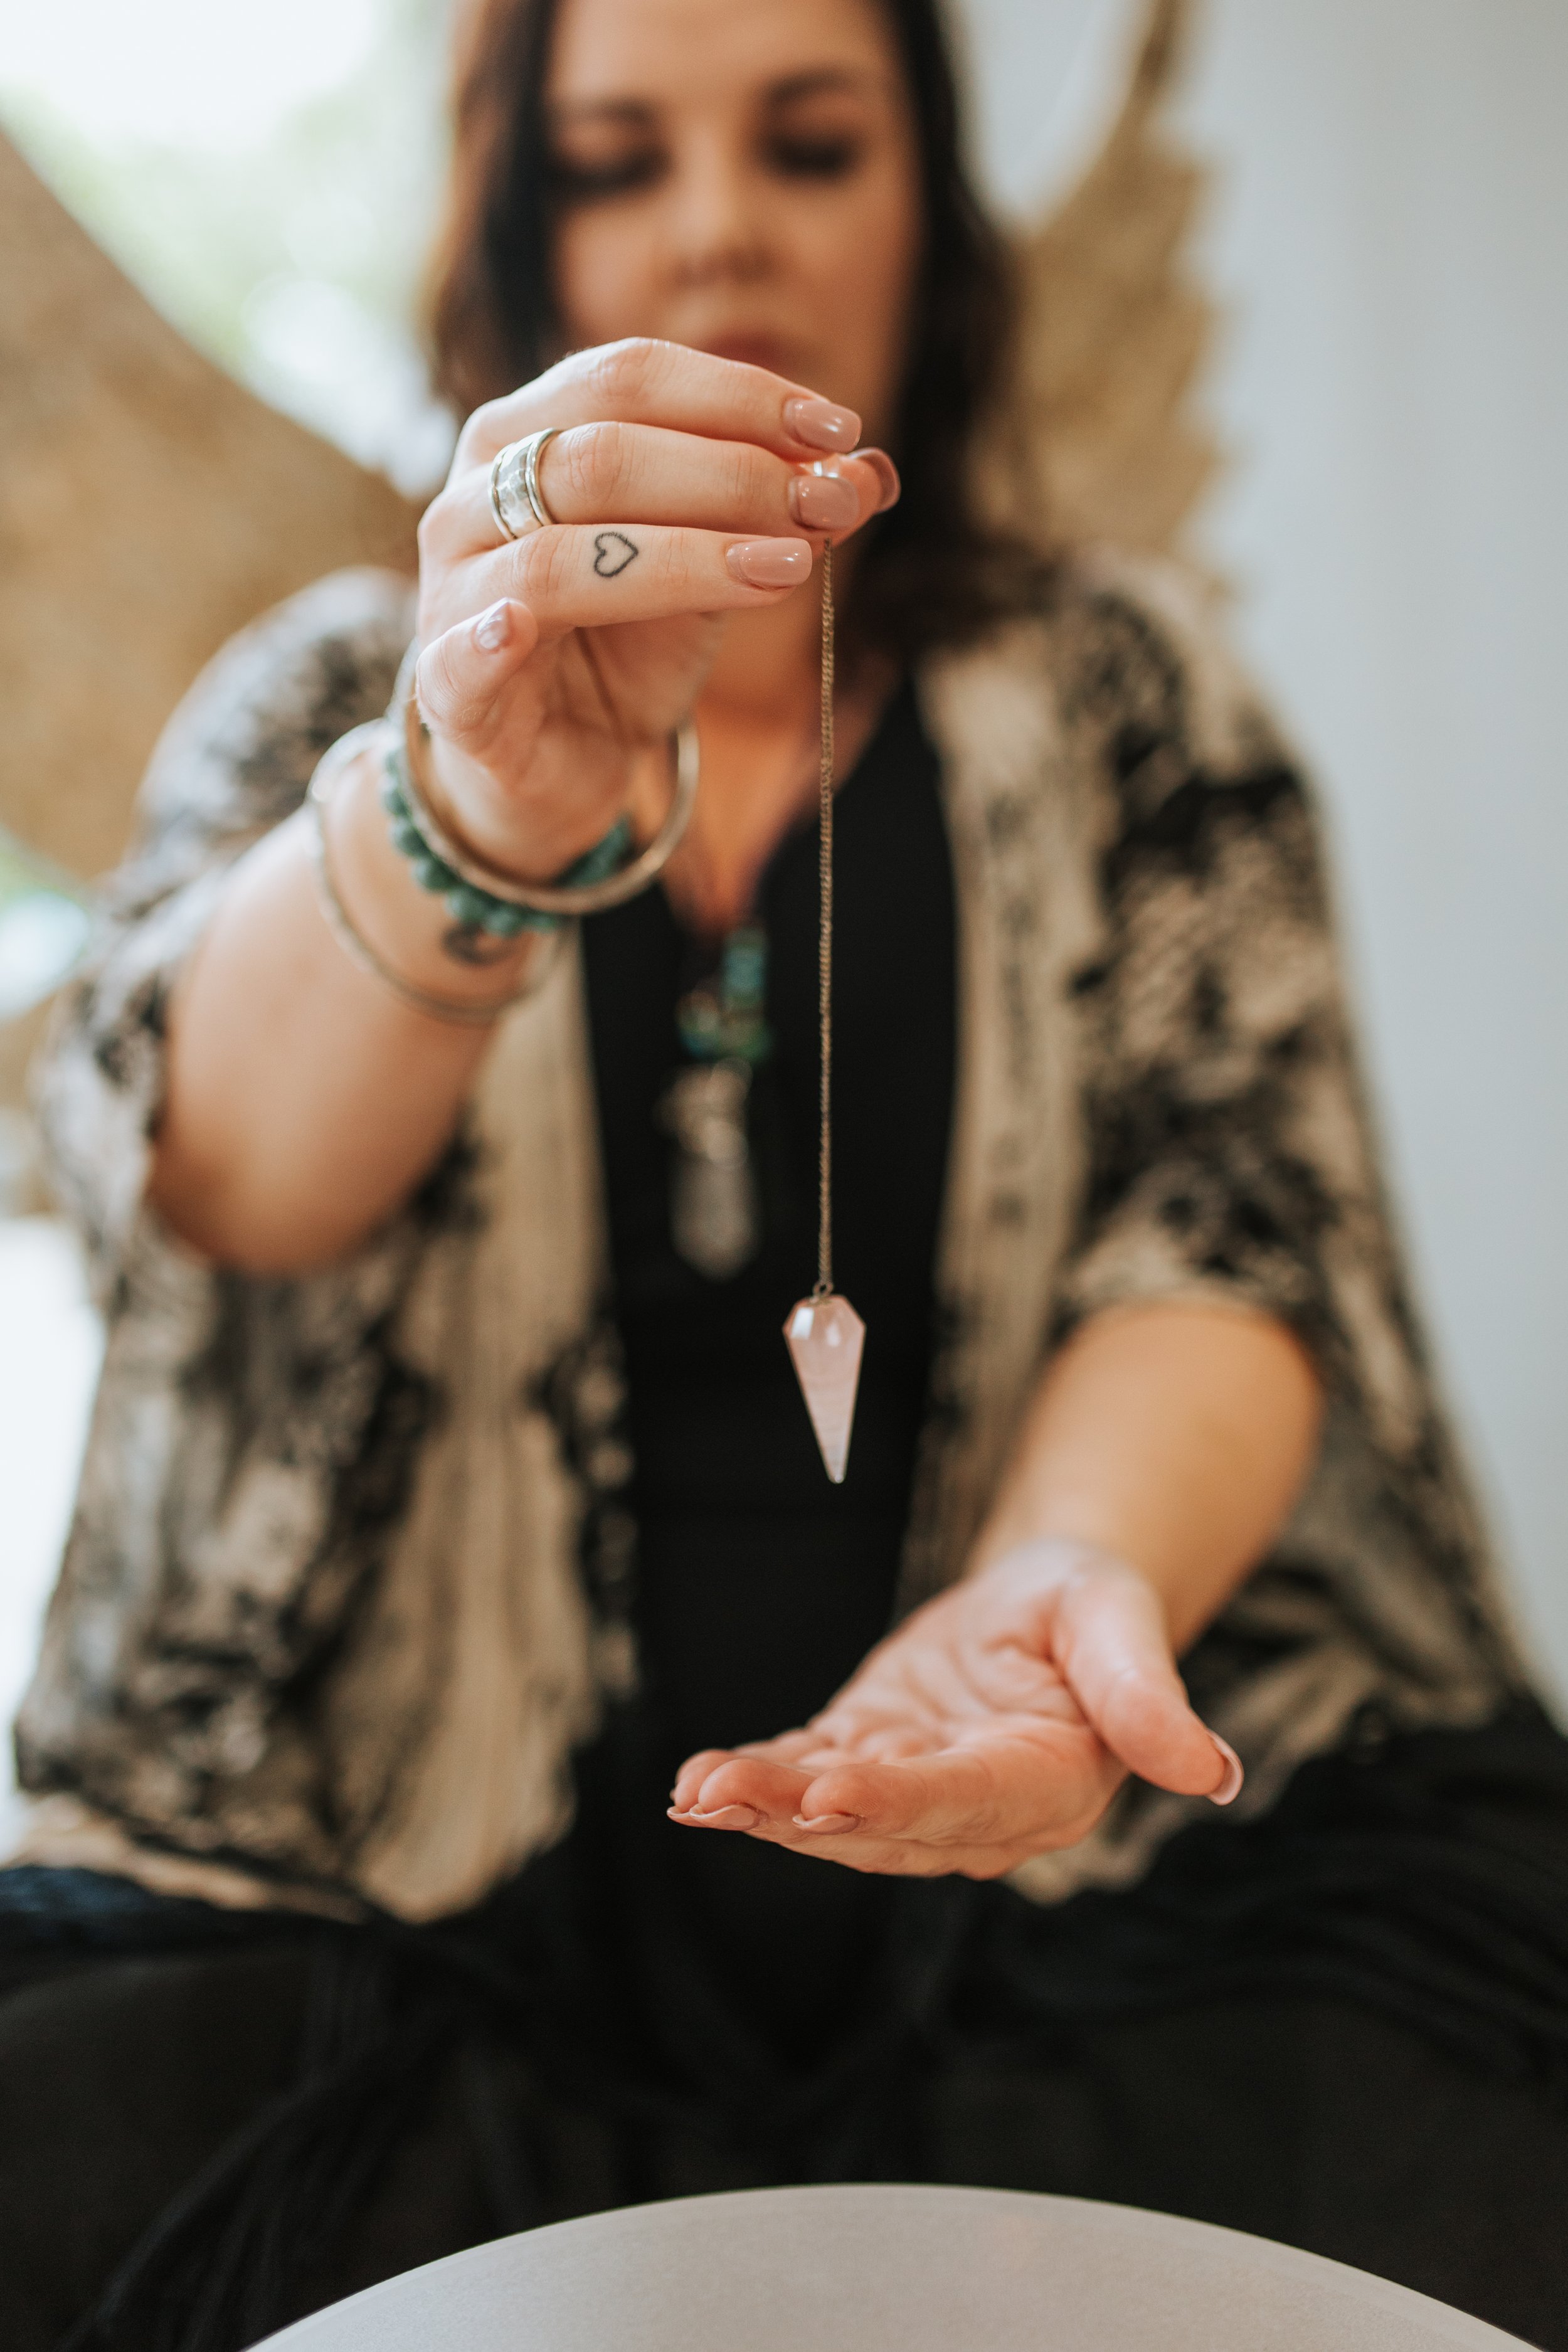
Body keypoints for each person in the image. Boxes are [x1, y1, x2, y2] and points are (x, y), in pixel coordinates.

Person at [5, 0, 1568, 2345]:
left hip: (1099, 1893)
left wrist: (1063, 1572)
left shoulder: (1134, 696)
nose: (720, 219)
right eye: (623, 158)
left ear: (922, 220)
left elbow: (1236, 1238)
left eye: (810, 144)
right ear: (527, 239)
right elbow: (215, 1180)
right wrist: (474, 806)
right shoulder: (337, 685)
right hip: (400, 1901)